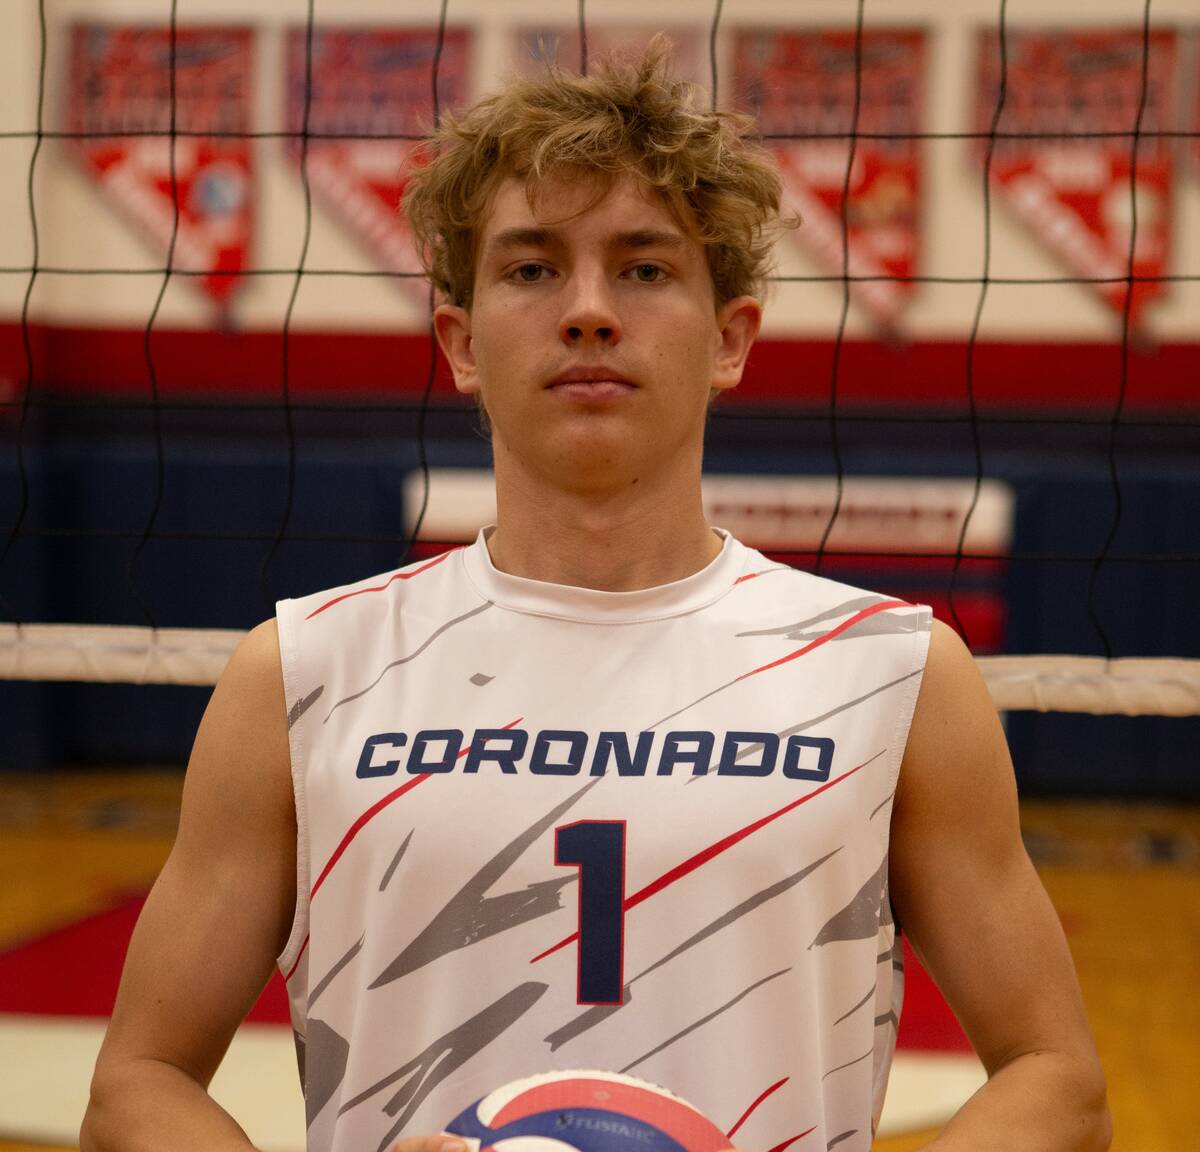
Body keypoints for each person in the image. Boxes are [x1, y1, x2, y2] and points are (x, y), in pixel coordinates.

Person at [81, 40, 1110, 1152]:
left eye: (644, 268)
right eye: (531, 269)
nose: (587, 312)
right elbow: (138, 1082)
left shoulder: (893, 674)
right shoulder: (301, 672)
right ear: (460, 343)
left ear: (731, 338)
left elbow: (1057, 1079)